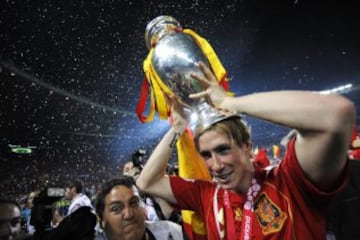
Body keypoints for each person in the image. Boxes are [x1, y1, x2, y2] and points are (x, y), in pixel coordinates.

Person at [136, 61, 356, 239]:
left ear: (246, 146)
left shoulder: (289, 182)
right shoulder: (207, 196)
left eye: (223, 150)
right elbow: (146, 182)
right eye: (206, 155)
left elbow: (336, 114)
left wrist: (230, 103)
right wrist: (177, 129)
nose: (216, 165)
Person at [94, 176, 184, 240]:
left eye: (134, 203)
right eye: (116, 209)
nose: (129, 215)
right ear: (102, 220)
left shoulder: (171, 232)